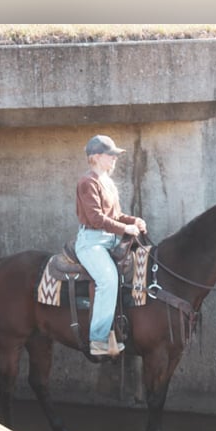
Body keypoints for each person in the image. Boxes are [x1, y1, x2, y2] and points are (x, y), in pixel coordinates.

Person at [74, 135, 148, 356]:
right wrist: (126, 229)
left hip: (111, 239)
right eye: (111, 155)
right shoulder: (87, 183)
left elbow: (115, 215)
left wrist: (132, 221)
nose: (115, 159)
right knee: (108, 279)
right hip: (92, 242)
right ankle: (98, 340)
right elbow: (96, 218)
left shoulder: (107, 182)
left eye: (116, 155)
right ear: (96, 157)